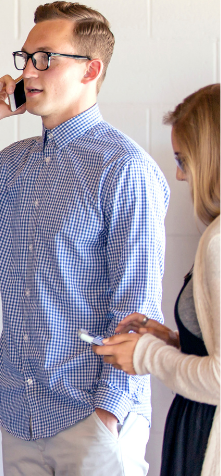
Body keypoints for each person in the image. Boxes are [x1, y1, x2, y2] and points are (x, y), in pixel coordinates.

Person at [0, 1, 168, 475]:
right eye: (25, 58)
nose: (28, 71)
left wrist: (107, 415)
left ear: (91, 70)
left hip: (92, 416)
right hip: (20, 413)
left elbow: (137, 302)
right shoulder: (12, 165)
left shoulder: (124, 169)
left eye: (45, 58)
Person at [94, 84, 219, 476]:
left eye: (185, 159)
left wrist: (145, 356)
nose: (180, 175)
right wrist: (177, 342)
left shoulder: (218, 244)